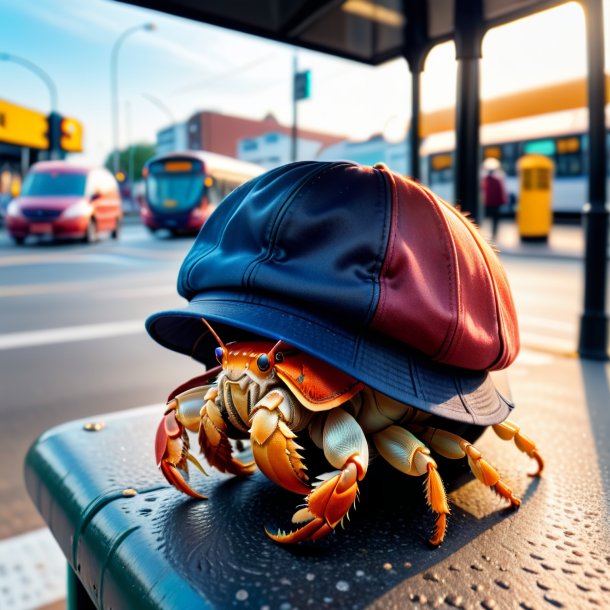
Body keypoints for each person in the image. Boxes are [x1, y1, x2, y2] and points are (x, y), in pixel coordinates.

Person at [481, 158, 508, 240]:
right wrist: (503, 201)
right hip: (496, 203)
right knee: (495, 219)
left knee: (486, 218)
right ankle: (494, 233)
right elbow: (501, 192)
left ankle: (487, 233)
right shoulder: (497, 180)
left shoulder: (485, 180)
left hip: (488, 203)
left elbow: (483, 191)